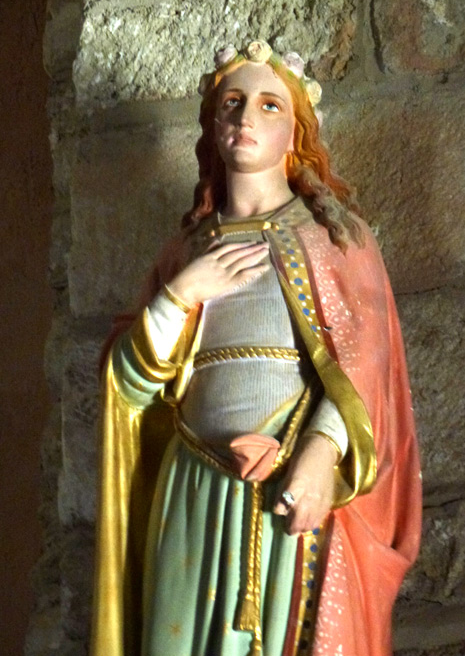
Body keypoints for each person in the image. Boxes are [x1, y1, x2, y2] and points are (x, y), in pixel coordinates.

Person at [91, 40, 422, 656]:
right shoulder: (183, 253)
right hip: (192, 490)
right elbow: (129, 387)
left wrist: (321, 453)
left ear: (296, 132)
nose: (246, 117)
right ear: (212, 125)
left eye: (270, 105)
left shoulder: (335, 241)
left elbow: (364, 368)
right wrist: (180, 295)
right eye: (232, 103)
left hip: (289, 483)